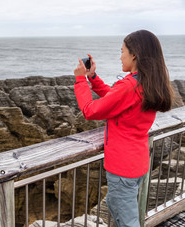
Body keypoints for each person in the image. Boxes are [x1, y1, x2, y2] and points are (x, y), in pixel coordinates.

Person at [73, 30, 174, 227]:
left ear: (134, 54)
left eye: (122, 51)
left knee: (128, 222)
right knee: (114, 203)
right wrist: (93, 79)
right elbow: (115, 98)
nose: (120, 56)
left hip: (122, 168)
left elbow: (90, 111)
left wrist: (80, 80)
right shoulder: (146, 82)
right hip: (137, 163)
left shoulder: (129, 85)